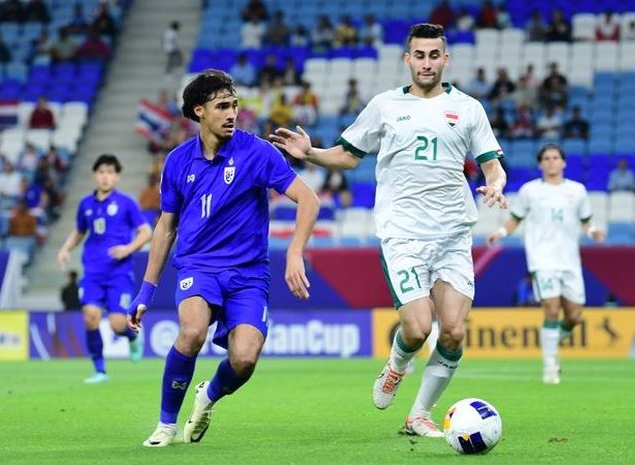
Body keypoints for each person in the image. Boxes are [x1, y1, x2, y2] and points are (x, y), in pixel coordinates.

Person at [270, 23, 507, 437]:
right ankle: (397, 365)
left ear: (446, 59)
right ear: (408, 59)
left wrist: (497, 184)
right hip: (404, 234)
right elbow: (346, 156)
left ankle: (418, 415)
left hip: (453, 234)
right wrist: (309, 153)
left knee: (452, 331)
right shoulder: (384, 105)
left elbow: (492, 165)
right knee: (416, 328)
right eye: (420, 55)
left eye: (435, 55)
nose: (427, 62)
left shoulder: (468, 108)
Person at [127, 70, 319, 447]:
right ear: (200, 111)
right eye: (222, 107)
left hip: (248, 274)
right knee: (192, 332)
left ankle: (208, 396)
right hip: (198, 267)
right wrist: (145, 292)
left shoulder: (257, 152)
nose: (232, 113)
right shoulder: (178, 162)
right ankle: (166, 424)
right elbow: (166, 229)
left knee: (244, 359)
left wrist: (295, 251)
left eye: (234, 105)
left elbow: (308, 199)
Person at [488, 144, 605, 384]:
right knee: (551, 308)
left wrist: (593, 231)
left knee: (574, 316)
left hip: (569, 260)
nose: (551, 162)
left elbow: (586, 221)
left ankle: (552, 340)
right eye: (547, 158)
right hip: (542, 259)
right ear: (540, 164)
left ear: (563, 162)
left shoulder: (578, 190)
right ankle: (551, 366)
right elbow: (515, 218)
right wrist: (500, 232)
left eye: (555, 158)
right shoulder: (530, 191)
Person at [57, 154, 152, 383]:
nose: (105, 177)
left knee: (117, 324)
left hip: (119, 274)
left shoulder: (127, 203)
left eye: (110, 172)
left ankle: (131, 337)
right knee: (90, 317)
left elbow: (146, 232)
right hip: (92, 273)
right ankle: (100, 370)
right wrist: (66, 248)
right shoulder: (85, 205)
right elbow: (80, 230)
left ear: (117, 177)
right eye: (101, 172)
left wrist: (128, 249)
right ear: (94, 175)